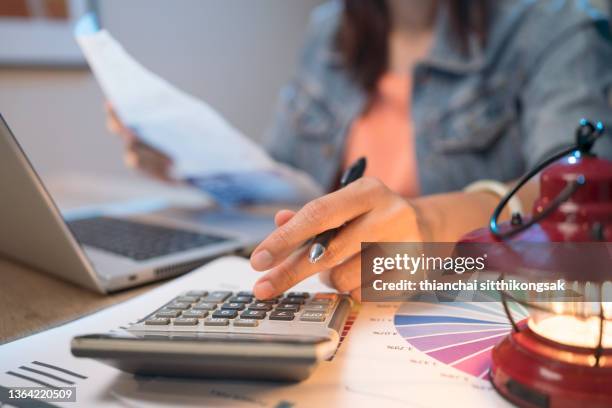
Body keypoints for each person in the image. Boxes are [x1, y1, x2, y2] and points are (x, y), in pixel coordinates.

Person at [106, 0, 612, 300]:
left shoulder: (556, 27)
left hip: (458, 307)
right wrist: (188, 162)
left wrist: (427, 227)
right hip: (329, 298)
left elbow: (579, 203)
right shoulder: (331, 27)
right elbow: (285, 184)